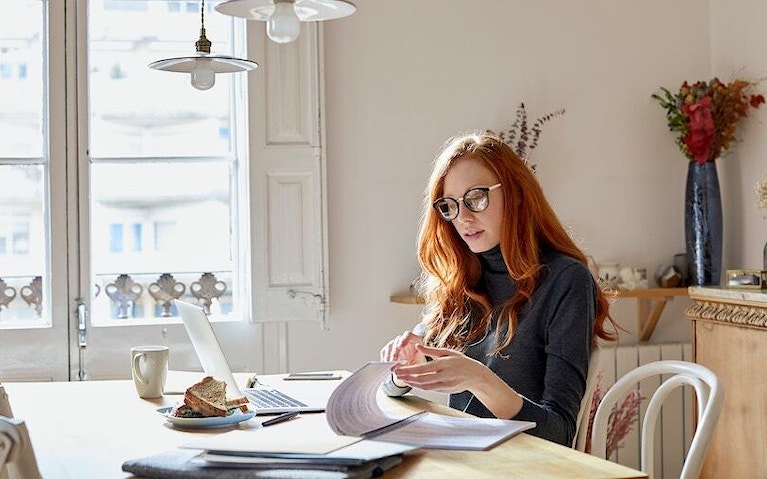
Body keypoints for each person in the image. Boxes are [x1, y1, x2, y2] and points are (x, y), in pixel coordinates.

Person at [380, 132, 618, 447]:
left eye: (476, 198)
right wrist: (400, 370)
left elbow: (560, 433)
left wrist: (479, 380)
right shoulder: (462, 281)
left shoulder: (567, 281)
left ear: (516, 194)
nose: (462, 218)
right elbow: (390, 387)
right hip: (465, 460)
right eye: (449, 206)